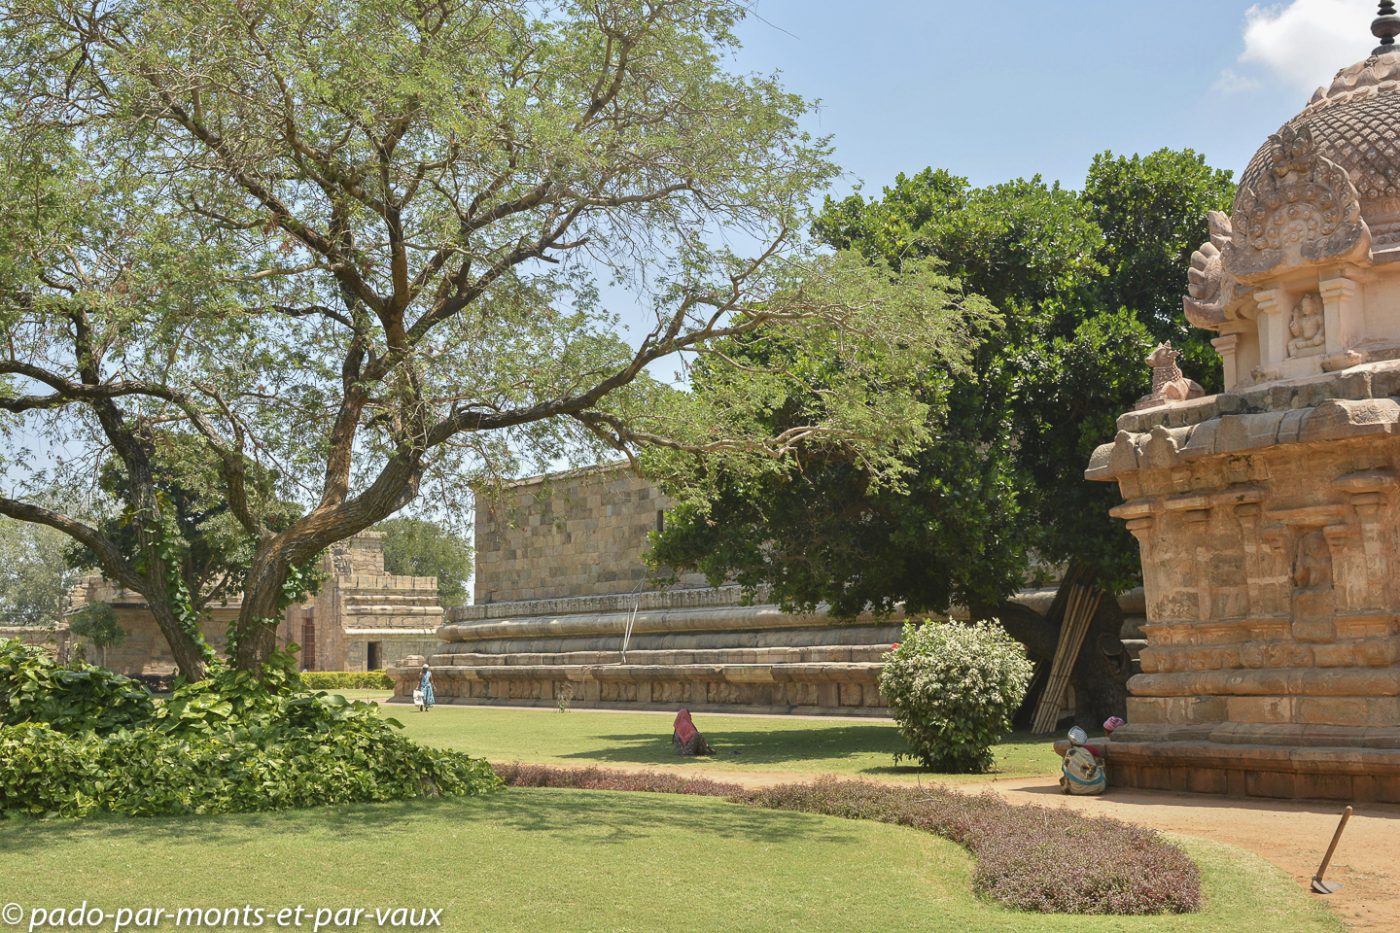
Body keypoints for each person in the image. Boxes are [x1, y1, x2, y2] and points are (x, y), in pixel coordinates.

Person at [1059, 726, 1106, 795]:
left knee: (1063, 779)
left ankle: (1070, 786)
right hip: (1098, 788)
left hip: (1077, 789)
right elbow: (1101, 765)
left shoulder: (1069, 753)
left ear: (1070, 741)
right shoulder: (1092, 750)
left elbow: (1065, 769)